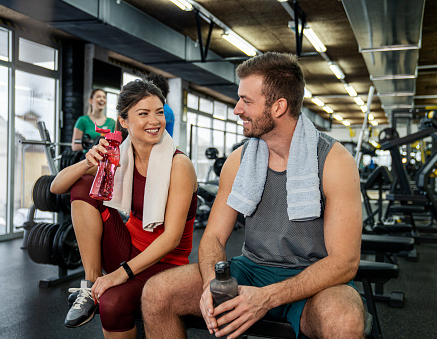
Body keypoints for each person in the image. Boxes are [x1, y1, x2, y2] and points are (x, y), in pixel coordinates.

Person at [141, 52, 365, 339]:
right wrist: (212, 282)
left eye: (246, 101)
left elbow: (345, 261)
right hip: (251, 270)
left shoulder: (334, 161)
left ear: (278, 107)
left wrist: (268, 297)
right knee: (158, 292)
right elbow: (213, 238)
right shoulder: (239, 160)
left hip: (313, 281)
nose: (237, 109)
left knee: (344, 320)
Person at [50, 80, 198, 339]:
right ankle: (90, 283)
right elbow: (56, 186)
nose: (155, 121)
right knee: (84, 184)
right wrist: (87, 161)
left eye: (159, 112)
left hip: (166, 263)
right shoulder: (119, 155)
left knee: (112, 304)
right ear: (124, 121)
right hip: (126, 248)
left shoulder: (179, 165)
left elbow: (172, 237)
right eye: (143, 113)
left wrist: (121, 274)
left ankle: (101, 289)